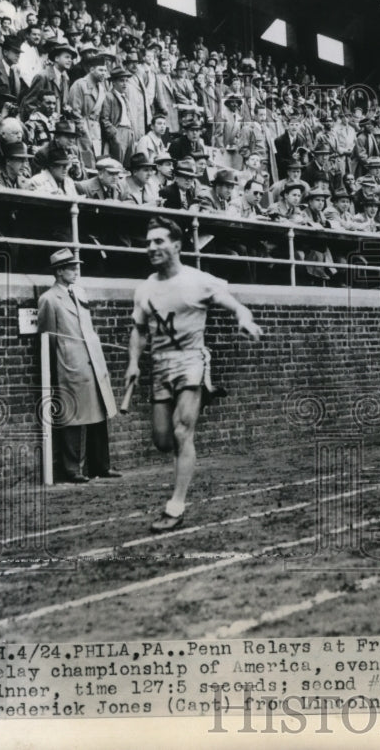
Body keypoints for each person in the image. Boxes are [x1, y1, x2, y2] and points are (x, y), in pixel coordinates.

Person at [124, 216, 262, 531]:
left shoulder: (198, 280)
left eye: (158, 241)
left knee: (183, 432)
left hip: (191, 360)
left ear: (176, 245)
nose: (152, 248)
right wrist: (134, 362)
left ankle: (176, 505)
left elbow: (236, 306)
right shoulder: (144, 287)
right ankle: (185, 456)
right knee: (162, 440)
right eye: (148, 243)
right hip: (161, 363)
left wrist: (244, 320)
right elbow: (139, 330)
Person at [37, 248, 120, 483]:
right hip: (70, 365)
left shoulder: (80, 293)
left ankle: (101, 466)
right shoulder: (49, 299)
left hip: (92, 361)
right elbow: (48, 338)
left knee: (99, 413)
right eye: (71, 267)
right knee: (73, 416)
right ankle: (72, 469)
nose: (76, 271)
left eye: (76, 266)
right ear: (59, 271)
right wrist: (55, 370)